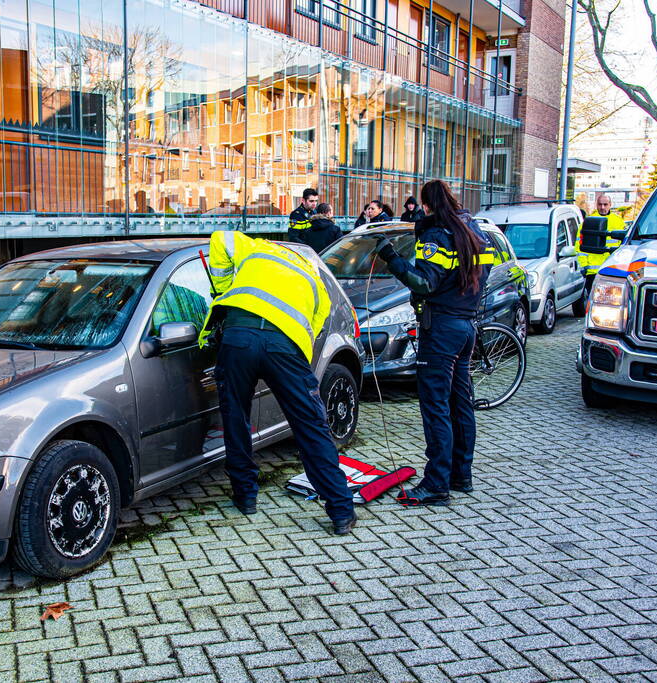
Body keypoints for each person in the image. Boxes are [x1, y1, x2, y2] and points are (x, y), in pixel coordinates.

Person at [198, 231, 357, 535]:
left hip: (238, 338)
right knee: (311, 425)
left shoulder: (257, 248)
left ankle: (245, 497)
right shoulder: (316, 282)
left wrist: (223, 289)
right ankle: (340, 510)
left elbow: (219, 238)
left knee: (235, 419)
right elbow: (313, 328)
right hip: (283, 348)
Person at [374, 180, 495, 506]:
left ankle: (436, 484)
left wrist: (392, 259)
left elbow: (424, 283)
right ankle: (461, 475)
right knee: (460, 404)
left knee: (436, 407)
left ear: (427, 205)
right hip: (466, 327)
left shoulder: (437, 237)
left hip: (441, 330)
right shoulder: (473, 234)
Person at [576, 193, 626, 294]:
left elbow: (624, 245)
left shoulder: (619, 221)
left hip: (612, 269)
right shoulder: (588, 222)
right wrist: (584, 266)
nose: (602, 207)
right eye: (600, 204)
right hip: (593, 272)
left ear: (610, 205)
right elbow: (579, 247)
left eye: (605, 204)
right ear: (596, 205)